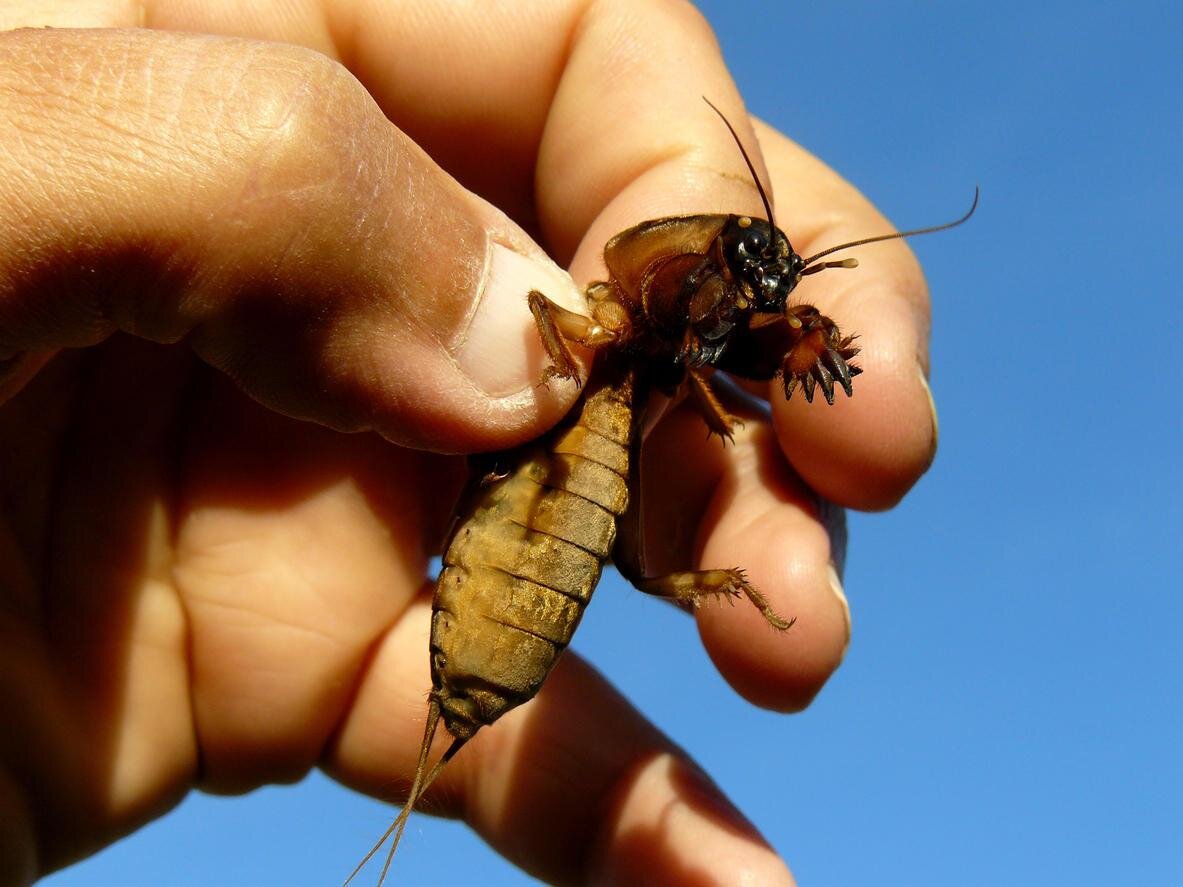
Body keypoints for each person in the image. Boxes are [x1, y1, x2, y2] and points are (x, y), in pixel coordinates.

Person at [0, 3, 939, 884]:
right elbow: (560, 300)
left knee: (648, 566)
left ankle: (714, 593)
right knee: (645, 552)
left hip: (568, 504)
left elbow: (723, 354)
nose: (737, 290)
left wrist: (805, 334)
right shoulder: (634, 288)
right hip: (535, 495)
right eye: (733, 265)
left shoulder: (705, 341)